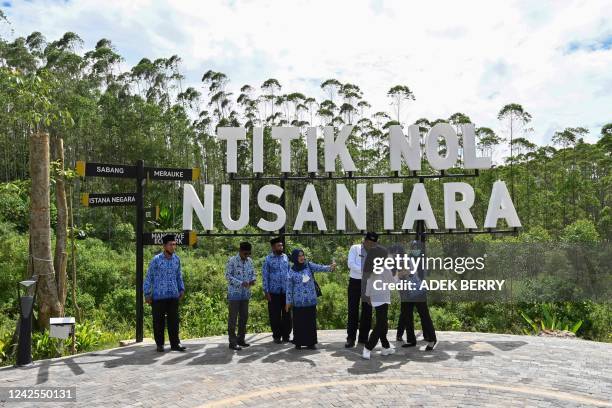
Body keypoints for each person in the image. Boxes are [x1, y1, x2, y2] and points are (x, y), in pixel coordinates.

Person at [285, 249, 336, 350]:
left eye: (302, 255)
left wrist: (330, 267)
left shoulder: (309, 265)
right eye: (299, 256)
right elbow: (289, 287)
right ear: (295, 257)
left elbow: (320, 268)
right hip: (298, 302)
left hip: (310, 300)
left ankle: (311, 343)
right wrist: (288, 302)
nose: (301, 257)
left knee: (310, 322)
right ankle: (298, 342)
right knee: (299, 323)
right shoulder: (291, 271)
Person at [144, 234, 186, 352]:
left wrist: (181, 289)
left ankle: (175, 344)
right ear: (164, 246)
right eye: (170, 244)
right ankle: (160, 344)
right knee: (158, 322)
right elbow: (149, 277)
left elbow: (179, 276)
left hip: (173, 295)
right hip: (158, 296)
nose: (173, 247)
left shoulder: (177, 260)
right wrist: (147, 293)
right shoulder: (156, 260)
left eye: (174, 244)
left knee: (174, 321)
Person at [396, 240, 438, 350]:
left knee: (424, 315)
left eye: (417, 247)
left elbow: (405, 273)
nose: (415, 250)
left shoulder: (421, 259)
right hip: (406, 292)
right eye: (413, 247)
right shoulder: (404, 259)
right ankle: (411, 340)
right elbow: (398, 275)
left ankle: (432, 339)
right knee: (407, 316)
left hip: (419, 292)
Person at [362, 245, 397, 359]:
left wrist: (368, 296)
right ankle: (368, 347)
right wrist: (397, 275)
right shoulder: (385, 269)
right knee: (381, 324)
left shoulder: (372, 267)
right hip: (382, 298)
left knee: (383, 323)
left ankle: (385, 347)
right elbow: (393, 283)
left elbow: (368, 282)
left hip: (375, 297)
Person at [345, 232, 378, 348]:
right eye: (368, 241)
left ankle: (363, 338)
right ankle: (350, 338)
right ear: (364, 240)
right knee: (353, 310)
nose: (370, 244)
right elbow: (350, 264)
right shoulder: (355, 248)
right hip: (355, 282)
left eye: (373, 242)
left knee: (367, 311)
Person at [225, 242, 256, 351]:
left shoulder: (250, 261)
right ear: (240, 251)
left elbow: (253, 273)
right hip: (234, 294)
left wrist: (253, 280)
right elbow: (228, 276)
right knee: (233, 318)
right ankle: (232, 342)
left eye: (249, 253)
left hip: (245, 294)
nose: (247, 255)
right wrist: (240, 282)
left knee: (244, 317)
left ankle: (240, 339)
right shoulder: (232, 260)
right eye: (245, 253)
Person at [262, 237, 292, 344]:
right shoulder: (268, 259)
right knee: (275, 315)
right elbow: (265, 276)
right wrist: (266, 291)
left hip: (285, 291)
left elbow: (289, 272)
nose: (281, 247)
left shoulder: (285, 257)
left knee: (287, 314)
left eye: (282, 245)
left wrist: (291, 289)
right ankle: (276, 336)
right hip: (273, 292)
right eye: (279, 246)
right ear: (273, 247)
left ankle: (286, 335)